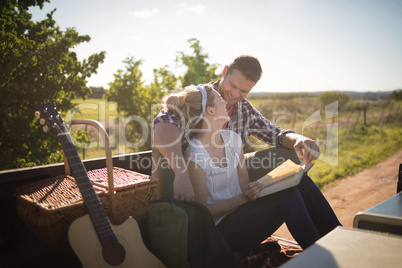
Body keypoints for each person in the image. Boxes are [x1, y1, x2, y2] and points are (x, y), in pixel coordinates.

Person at [160, 84, 341, 251]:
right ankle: (321, 255)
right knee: (287, 195)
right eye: (220, 99)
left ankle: (338, 240)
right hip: (219, 233)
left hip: (242, 214)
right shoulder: (195, 156)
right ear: (210, 110)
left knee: (294, 184)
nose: (226, 102)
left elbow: (244, 185)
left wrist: (256, 188)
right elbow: (204, 212)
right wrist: (244, 198)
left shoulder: (232, 139)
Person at [153, 55, 320, 200]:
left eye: (243, 91)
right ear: (224, 71)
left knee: (288, 157)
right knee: (287, 195)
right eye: (232, 86)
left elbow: (276, 134)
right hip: (192, 179)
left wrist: (300, 139)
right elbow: (163, 123)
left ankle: (332, 231)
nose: (234, 94)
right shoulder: (201, 98)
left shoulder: (245, 110)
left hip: (229, 175)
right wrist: (181, 172)